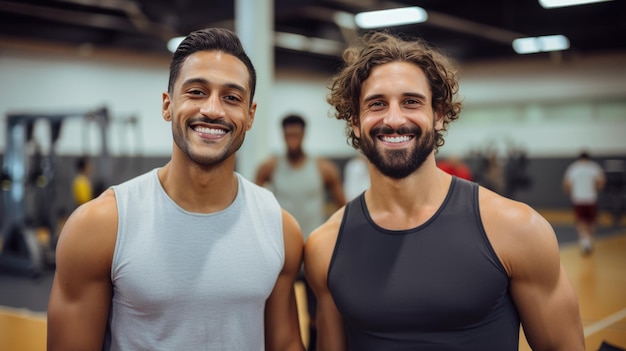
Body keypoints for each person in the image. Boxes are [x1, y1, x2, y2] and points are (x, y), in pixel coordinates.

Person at [304, 31, 585, 350]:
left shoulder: (517, 229)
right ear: (354, 120)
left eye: (411, 102)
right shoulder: (324, 247)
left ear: (438, 115)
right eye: (377, 104)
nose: (394, 119)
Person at [47, 28, 305, 351]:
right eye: (196, 92)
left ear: (249, 116)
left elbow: (285, 345)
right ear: (168, 105)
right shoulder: (100, 227)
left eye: (232, 97)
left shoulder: (280, 228)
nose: (213, 109)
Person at [255, 114, 346, 350]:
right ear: (283, 135)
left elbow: (343, 207)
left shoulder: (323, 168)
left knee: (316, 316)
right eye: (288, 134)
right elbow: (253, 202)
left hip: (312, 254)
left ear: (303, 134)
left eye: (296, 134)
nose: (292, 139)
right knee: (277, 317)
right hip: (282, 252)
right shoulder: (270, 167)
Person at [563, 150, 606, 255]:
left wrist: (570, 192)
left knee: (580, 221)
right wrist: (595, 189)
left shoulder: (574, 168)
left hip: (578, 199)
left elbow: (567, 184)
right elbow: (601, 182)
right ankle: (589, 242)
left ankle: (584, 243)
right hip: (590, 199)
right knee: (591, 221)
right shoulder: (593, 167)